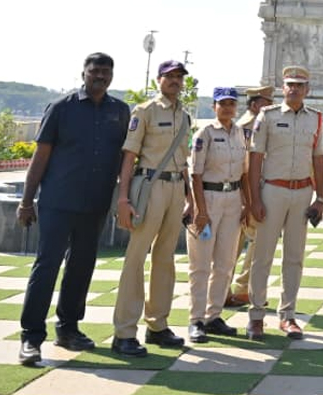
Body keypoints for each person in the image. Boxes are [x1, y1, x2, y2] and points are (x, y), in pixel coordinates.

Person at [17, 53, 130, 366]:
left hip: (95, 205)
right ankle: (30, 336)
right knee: (46, 267)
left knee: (81, 268)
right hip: (58, 201)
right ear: (84, 73)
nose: (100, 76)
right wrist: (27, 201)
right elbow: (40, 157)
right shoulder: (62, 108)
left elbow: (125, 161)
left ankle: (68, 329)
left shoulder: (119, 111)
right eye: (95, 71)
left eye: (106, 72)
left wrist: (124, 198)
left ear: (112, 76)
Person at [111, 59, 194, 357]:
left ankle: (157, 324)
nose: (174, 81)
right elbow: (129, 156)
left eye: (179, 77)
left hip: (175, 189)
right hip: (149, 185)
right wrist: (123, 198)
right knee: (136, 257)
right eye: (169, 76)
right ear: (158, 80)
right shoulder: (145, 111)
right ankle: (124, 332)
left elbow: (184, 161)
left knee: (165, 258)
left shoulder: (184, 116)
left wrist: (191, 199)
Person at [246, 65, 323, 340]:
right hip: (273, 190)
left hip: (301, 191)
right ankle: (256, 315)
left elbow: (318, 159)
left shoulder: (315, 119)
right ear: (283, 88)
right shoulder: (267, 116)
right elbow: (255, 158)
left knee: (294, 257)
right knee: (262, 256)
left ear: (307, 90)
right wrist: (254, 198)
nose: (294, 89)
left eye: (299, 85)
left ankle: (288, 315)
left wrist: (321, 197)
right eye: (290, 84)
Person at [186, 87, 250, 343]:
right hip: (209, 198)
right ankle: (196, 319)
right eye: (222, 104)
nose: (227, 108)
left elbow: (244, 174)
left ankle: (214, 315)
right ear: (214, 106)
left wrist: (246, 203)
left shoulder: (240, 134)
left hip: (233, 199)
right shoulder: (206, 133)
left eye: (231, 104)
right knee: (200, 264)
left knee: (225, 263)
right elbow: (195, 174)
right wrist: (200, 210)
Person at [226, 84, 274, 307]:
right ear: (255, 104)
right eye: (267, 101)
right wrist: (248, 198)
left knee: (251, 242)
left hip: (258, 190)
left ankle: (234, 289)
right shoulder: (245, 127)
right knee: (240, 243)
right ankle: (239, 288)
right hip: (244, 193)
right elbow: (243, 165)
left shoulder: (261, 125)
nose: (271, 106)